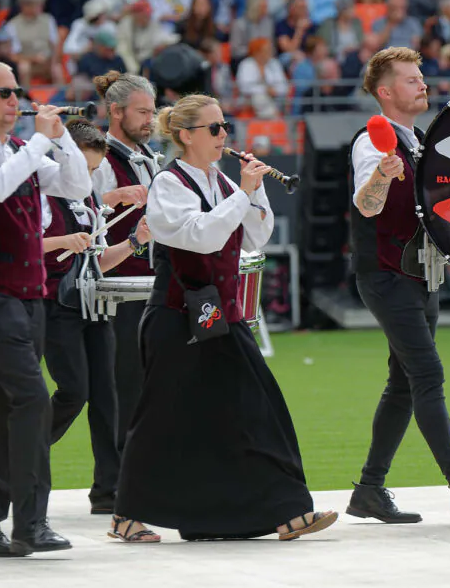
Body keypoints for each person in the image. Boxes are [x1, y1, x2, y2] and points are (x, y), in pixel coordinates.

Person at [114, 93, 338, 542]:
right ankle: (126, 516)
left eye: (224, 127)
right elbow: (200, 236)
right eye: (214, 129)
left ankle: (285, 510)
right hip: (176, 318)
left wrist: (254, 194)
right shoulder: (168, 184)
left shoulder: (223, 182)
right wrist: (245, 195)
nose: (223, 137)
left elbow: (256, 236)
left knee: (257, 409)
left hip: (220, 316)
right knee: (161, 416)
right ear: (185, 135)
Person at [0, 60, 92, 557]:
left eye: (17, 91)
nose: (13, 100)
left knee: (4, 407)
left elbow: (77, 185)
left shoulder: (23, 150)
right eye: (2, 92)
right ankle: (30, 521)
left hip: (29, 294)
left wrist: (60, 135)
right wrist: (43, 142)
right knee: (32, 399)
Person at [346, 46, 450, 525]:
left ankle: (370, 490)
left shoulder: (416, 141)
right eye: (411, 79)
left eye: (421, 77)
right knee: (427, 375)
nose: (423, 84)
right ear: (385, 91)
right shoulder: (372, 142)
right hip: (388, 274)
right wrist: (381, 173)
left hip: (418, 275)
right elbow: (367, 205)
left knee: (402, 385)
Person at [40, 118, 158, 542]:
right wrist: (63, 242)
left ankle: (109, 491)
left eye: (93, 169)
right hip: (54, 304)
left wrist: (135, 242)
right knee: (74, 390)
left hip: (91, 302)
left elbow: (98, 260)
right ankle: (23, 453)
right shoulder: (42, 193)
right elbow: (26, 248)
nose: (88, 177)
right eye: (85, 167)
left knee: (106, 394)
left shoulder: (87, 199)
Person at [89, 71, 158, 455]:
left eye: (152, 111)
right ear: (115, 111)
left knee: (148, 387)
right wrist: (110, 196)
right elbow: (77, 213)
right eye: (142, 112)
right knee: (122, 390)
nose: (150, 119)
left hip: (148, 284)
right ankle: (112, 483)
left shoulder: (147, 156)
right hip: (117, 288)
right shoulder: (99, 159)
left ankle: (137, 475)